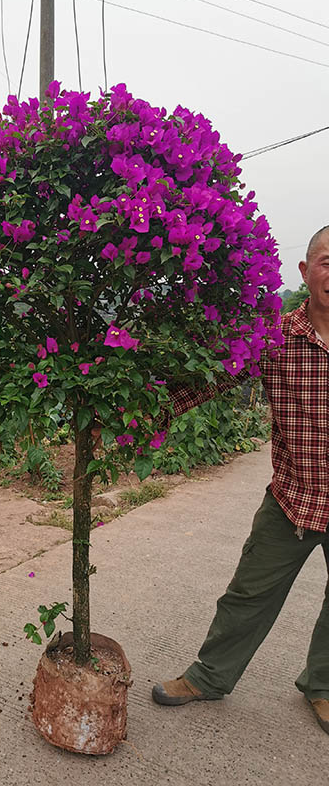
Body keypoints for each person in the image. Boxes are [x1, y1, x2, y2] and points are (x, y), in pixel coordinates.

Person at [152, 225, 329, 736]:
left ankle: (324, 685)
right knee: (247, 596)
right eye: (326, 262)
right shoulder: (277, 337)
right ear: (305, 271)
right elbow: (213, 379)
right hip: (293, 499)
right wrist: (140, 419)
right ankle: (209, 677)